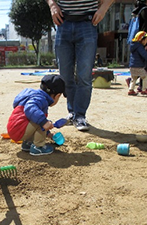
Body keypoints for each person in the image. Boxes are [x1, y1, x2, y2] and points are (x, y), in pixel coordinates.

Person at [46, 0, 114, 131]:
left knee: (84, 75)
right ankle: (72, 113)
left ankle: (80, 115)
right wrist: (52, 4)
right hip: (63, 21)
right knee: (65, 76)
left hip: (88, 22)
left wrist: (104, 8)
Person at [6, 74, 66, 156]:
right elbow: (30, 108)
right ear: (57, 96)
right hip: (20, 130)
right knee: (40, 120)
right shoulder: (41, 99)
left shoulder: (34, 95)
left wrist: (49, 134)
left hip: (15, 128)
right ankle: (38, 147)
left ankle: (28, 143)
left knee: (38, 118)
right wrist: (44, 122)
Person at [128, 31, 147, 96]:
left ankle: (131, 90)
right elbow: (144, 54)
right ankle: (144, 89)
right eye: (146, 40)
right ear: (141, 40)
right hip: (138, 66)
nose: (146, 41)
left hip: (132, 66)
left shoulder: (133, 46)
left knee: (133, 78)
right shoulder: (139, 47)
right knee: (145, 76)